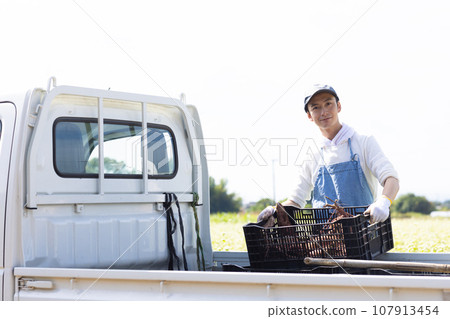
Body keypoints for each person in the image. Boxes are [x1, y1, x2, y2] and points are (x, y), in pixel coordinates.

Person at [258, 84, 399, 224]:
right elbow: (296, 200)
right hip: (324, 238)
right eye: (315, 107)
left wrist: (384, 201)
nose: (323, 112)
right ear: (309, 116)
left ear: (339, 106)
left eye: (328, 104)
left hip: (362, 234)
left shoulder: (363, 142)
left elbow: (391, 178)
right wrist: (275, 211)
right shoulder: (311, 154)